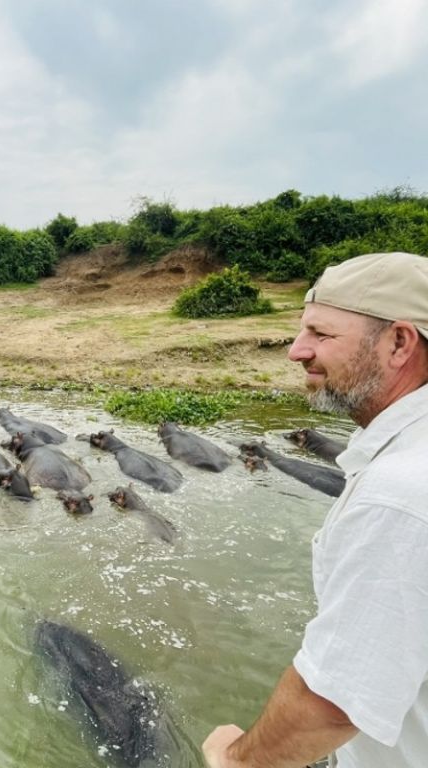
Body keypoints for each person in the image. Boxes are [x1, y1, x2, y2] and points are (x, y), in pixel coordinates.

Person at [202, 251, 428, 768]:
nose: (296, 351)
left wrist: (236, 759)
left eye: (321, 334)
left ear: (399, 343)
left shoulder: (400, 493)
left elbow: (336, 700)